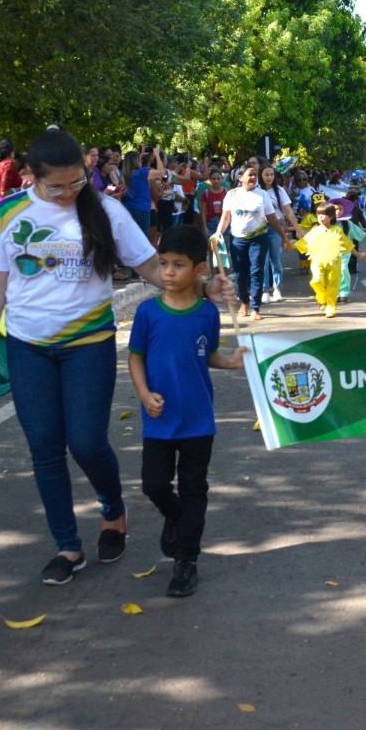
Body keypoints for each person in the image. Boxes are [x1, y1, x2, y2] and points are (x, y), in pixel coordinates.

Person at [0, 127, 232, 586]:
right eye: (56, 186)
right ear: (31, 176)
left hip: (88, 343)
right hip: (29, 348)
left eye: (76, 182)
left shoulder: (105, 210)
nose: (68, 193)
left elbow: (151, 267)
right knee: (45, 449)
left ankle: (113, 510)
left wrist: (204, 287)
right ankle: (67, 547)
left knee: (86, 443)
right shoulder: (8, 212)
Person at [127, 225, 246, 598]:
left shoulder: (206, 314)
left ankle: (186, 561)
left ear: (199, 270)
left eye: (178, 265)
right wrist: (145, 395)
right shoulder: (148, 313)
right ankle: (175, 517)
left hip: (198, 418)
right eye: (163, 264)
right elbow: (136, 358)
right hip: (159, 419)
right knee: (155, 485)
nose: (168, 273)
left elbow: (205, 352)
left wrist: (228, 362)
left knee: (195, 488)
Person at [213, 165, 288, 321]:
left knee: (256, 272)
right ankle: (244, 302)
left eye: (255, 175)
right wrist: (217, 235)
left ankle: (255, 307)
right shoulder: (231, 195)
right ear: (240, 178)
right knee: (240, 273)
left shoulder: (262, 195)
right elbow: (226, 218)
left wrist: (284, 236)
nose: (253, 177)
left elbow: (272, 218)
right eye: (250, 175)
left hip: (259, 238)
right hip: (237, 239)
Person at [294, 202, 354, 318]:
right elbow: (304, 242)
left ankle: (331, 306)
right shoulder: (315, 231)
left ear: (331, 217)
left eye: (324, 214)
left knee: (333, 283)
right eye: (318, 214)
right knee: (316, 281)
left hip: (334, 261)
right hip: (318, 260)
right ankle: (321, 297)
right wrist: (290, 246)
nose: (320, 217)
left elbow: (347, 245)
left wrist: (358, 254)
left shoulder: (337, 230)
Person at [259, 165, 300, 304]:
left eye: (271, 174)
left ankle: (277, 289)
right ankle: (264, 290)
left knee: (276, 259)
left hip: (275, 227)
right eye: (266, 174)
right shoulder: (256, 191)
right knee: (262, 261)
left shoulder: (279, 191)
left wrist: (297, 228)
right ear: (261, 175)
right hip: (259, 228)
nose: (269, 177)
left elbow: (288, 211)